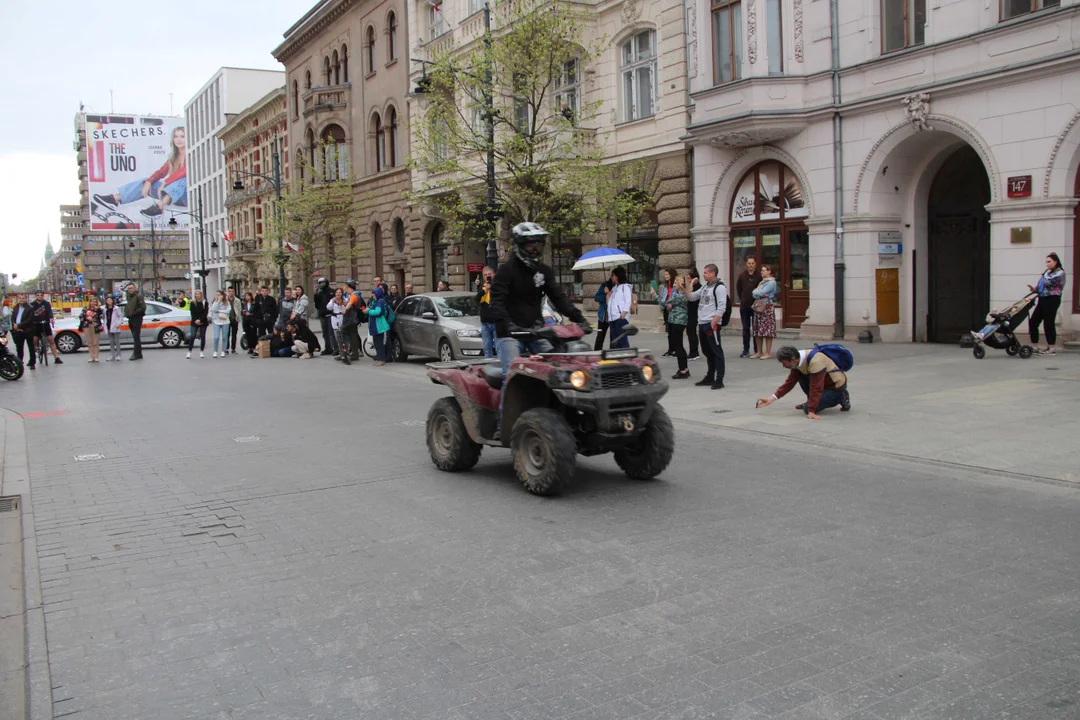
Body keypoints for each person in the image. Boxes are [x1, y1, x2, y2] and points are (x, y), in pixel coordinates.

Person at [490, 222, 586, 429]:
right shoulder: (507, 271)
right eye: (531, 245)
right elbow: (496, 302)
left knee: (559, 367)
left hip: (535, 330)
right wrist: (509, 325)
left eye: (539, 245)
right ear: (520, 246)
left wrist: (579, 318)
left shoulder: (543, 271)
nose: (536, 249)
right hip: (510, 333)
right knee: (512, 373)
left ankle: (559, 414)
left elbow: (558, 298)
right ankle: (502, 424)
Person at [92, 126, 187, 218]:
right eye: (176, 136)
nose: (179, 139)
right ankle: (115, 199)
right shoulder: (173, 158)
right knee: (145, 182)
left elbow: (184, 171)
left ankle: (159, 207)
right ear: (173, 139)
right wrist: (149, 181)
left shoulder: (192, 153)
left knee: (183, 179)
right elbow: (161, 172)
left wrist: (165, 183)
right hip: (174, 196)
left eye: (182, 136)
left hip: (188, 196)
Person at [756, 346, 850, 420]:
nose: (784, 366)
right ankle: (812, 402)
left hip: (835, 387)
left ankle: (842, 396)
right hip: (823, 383)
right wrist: (771, 399)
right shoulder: (797, 361)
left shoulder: (816, 361)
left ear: (793, 359)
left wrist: (811, 410)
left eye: (785, 363)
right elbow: (790, 383)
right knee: (800, 376)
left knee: (806, 409)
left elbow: (816, 387)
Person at [686, 264, 727, 389]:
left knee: (716, 351)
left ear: (713, 273)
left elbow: (721, 307)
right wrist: (687, 287)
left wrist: (713, 323)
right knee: (707, 351)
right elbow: (692, 297)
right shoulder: (705, 287)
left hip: (710, 323)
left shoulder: (719, 288)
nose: (703, 275)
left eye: (705, 273)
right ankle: (710, 376)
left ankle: (719, 379)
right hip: (702, 322)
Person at [1027, 252, 1066, 355]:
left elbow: (1051, 284)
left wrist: (1044, 278)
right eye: (1046, 262)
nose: (1047, 264)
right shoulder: (1047, 272)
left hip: (1052, 299)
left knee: (1048, 322)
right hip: (1042, 298)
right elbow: (1042, 284)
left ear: (1056, 262)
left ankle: (1052, 347)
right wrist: (1035, 289)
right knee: (1033, 321)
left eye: (1049, 262)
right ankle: (1034, 345)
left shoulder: (1060, 273)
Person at [735, 257, 762, 358]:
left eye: (752, 263)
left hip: (756, 306)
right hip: (744, 306)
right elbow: (739, 288)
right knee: (746, 328)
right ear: (746, 264)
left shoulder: (759, 276)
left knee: (756, 329)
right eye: (749, 263)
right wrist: (743, 299)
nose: (751, 265)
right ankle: (745, 350)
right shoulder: (742, 275)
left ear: (755, 264)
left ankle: (757, 350)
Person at [750, 264, 778, 360]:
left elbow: (761, 293)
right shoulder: (762, 282)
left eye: (764, 270)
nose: (762, 272)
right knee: (758, 329)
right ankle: (759, 351)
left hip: (767, 307)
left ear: (769, 271)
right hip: (758, 305)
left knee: (767, 330)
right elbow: (755, 294)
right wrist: (756, 293)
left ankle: (767, 352)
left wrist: (757, 292)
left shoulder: (771, 282)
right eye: (761, 270)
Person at [29, 291, 63, 365]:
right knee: (34, 340)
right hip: (36, 324)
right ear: (35, 296)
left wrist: (51, 318)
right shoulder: (32, 305)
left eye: (41, 295)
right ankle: (32, 358)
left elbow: (49, 312)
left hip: (45, 323)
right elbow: (30, 315)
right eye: (38, 295)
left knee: (51, 340)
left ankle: (57, 358)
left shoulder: (46, 303)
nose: (40, 296)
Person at [667, 276, 690, 379]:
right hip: (676, 321)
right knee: (679, 345)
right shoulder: (679, 295)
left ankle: (683, 370)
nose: (673, 285)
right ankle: (684, 369)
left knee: (678, 346)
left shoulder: (680, 296)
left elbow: (665, 302)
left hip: (678, 322)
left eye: (675, 283)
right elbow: (669, 305)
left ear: (680, 285)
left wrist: (654, 295)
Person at [606, 267, 633, 349]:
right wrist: (608, 294)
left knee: (622, 340)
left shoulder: (625, 287)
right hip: (612, 318)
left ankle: (627, 356)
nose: (611, 277)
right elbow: (609, 303)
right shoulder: (614, 288)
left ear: (617, 276)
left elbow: (628, 301)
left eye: (613, 275)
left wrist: (623, 314)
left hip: (620, 317)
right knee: (615, 341)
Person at [655, 269, 677, 357]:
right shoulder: (665, 286)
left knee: (674, 331)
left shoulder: (675, 286)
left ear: (671, 275)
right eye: (665, 274)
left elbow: (677, 297)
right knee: (669, 331)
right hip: (666, 309)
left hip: (673, 310)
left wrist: (672, 303)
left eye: (667, 274)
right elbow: (663, 298)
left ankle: (675, 349)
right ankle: (670, 349)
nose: (665, 276)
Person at [367, 286, 392, 366]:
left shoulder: (380, 301)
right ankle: (379, 358)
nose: (372, 296)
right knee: (376, 343)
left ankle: (382, 359)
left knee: (380, 343)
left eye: (374, 294)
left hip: (380, 326)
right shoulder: (375, 301)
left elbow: (378, 312)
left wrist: (368, 311)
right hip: (375, 326)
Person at [475, 267, 497, 358]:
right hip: (485, 323)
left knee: (499, 347)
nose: (488, 276)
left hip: (496, 322)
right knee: (487, 348)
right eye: (485, 275)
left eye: (489, 274)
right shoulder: (482, 287)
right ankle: (489, 366)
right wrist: (485, 290)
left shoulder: (498, 286)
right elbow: (477, 299)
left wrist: (492, 289)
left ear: (493, 274)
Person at [314, 278, 336, 356]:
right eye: (321, 283)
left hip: (330, 314)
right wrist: (316, 294)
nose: (322, 284)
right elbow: (317, 304)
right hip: (322, 315)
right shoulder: (319, 293)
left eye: (323, 283)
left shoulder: (331, 292)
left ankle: (335, 348)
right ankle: (328, 348)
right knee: (325, 333)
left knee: (331, 333)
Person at [79, 297, 104, 363]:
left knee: (95, 342)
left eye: (95, 302)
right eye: (92, 301)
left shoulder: (99, 309)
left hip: (95, 326)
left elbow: (102, 316)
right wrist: (87, 318)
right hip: (87, 326)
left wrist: (93, 318)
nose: (94, 303)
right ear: (90, 302)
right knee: (89, 342)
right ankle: (91, 356)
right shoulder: (85, 309)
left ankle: (96, 357)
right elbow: (81, 316)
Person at [124, 283, 145, 360]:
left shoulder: (138, 296)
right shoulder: (130, 297)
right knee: (135, 336)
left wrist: (133, 313)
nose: (130, 290)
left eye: (131, 288)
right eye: (129, 288)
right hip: (131, 318)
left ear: (135, 288)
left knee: (136, 336)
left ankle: (136, 353)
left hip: (137, 318)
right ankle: (138, 353)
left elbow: (143, 307)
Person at [326, 288, 348, 362]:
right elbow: (328, 307)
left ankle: (346, 352)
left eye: (340, 292)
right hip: (335, 320)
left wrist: (344, 304)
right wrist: (332, 301)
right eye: (337, 292)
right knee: (338, 338)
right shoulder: (332, 300)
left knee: (344, 338)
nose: (338, 294)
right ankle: (341, 353)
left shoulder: (345, 300)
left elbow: (347, 307)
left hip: (343, 320)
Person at [10, 296, 33, 366]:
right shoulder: (16, 307)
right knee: (19, 348)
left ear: (26, 299)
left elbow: (29, 320)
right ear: (18, 299)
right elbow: (13, 317)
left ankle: (32, 362)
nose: (21, 300)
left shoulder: (30, 308)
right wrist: (14, 325)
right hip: (17, 330)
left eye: (23, 298)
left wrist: (19, 325)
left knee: (31, 347)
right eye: (20, 298)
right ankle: (19, 363)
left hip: (28, 330)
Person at [186, 289, 209, 358]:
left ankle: (201, 351)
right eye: (196, 294)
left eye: (199, 294)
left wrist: (200, 320)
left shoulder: (205, 302)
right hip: (194, 321)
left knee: (202, 336)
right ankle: (189, 351)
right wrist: (196, 320)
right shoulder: (193, 303)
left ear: (201, 295)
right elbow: (192, 312)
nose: (197, 295)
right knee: (192, 336)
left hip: (203, 321)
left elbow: (205, 312)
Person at [209, 290, 231, 358]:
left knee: (225, 337)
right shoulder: (215, 302)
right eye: (217, 295)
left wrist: (219, 311)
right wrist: (218, 301)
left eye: (219, 295)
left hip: (225, 321)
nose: (217, 296)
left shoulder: (226, 302)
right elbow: (213, 309)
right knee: (216, 337)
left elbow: (228, 310)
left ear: (222, 295)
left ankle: (223, 351)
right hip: (216, 321)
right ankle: (215, 351)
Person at [686, 268, 701, 360]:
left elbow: (692, 298)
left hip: (694, 313)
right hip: (690, 312)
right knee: (689, 331)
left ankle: (694, 352)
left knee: (692, 332)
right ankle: (693, 351)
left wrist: (691, 284)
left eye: (689, 278)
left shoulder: (698, 288)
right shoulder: (691, 287)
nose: (688, 280)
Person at [103, 295, 124, 362]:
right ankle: (112, 355)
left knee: (116, 341)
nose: (109, 301)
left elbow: (121, 317)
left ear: (112, 301)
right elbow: (104, 317)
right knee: (111, 342)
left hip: (115, 327)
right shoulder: (105, 309)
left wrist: (118, 324)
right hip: (108, 326)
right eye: (108, 300)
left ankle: (118, 355)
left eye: (110, 300)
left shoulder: (116, 308)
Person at [592, 281, 611, 351]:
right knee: (600, 337)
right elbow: (596, 297)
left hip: (614, 316)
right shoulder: (604, 286)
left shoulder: (618, 287)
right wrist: (605, 295)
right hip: (603, 316)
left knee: (613, 338)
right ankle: (596, 353)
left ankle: (612, 354)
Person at [241, 292, 259, 357]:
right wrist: (244, 313)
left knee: (253, 334)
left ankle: (254, 347)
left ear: (251, 297)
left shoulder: (254, 303)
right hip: (246, 320)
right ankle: (250, 347)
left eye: (248, 296)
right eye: (246, 296)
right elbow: (241, 311)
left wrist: (250, 314)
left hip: (252, 320)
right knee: (247, 334)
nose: (247, 297)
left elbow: (257, 312)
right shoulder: (243, 303)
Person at [226, 287, 242, 354]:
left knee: (234, 334)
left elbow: (239, 309)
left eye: (232, 291)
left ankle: (233, 348)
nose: (231, 293)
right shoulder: (225, 300)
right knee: (227, 334)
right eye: (229, 291)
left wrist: (238, 317)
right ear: (227, 292)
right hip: (227, 319)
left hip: (234, 319)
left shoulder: (237, 300)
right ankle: (226, 348)